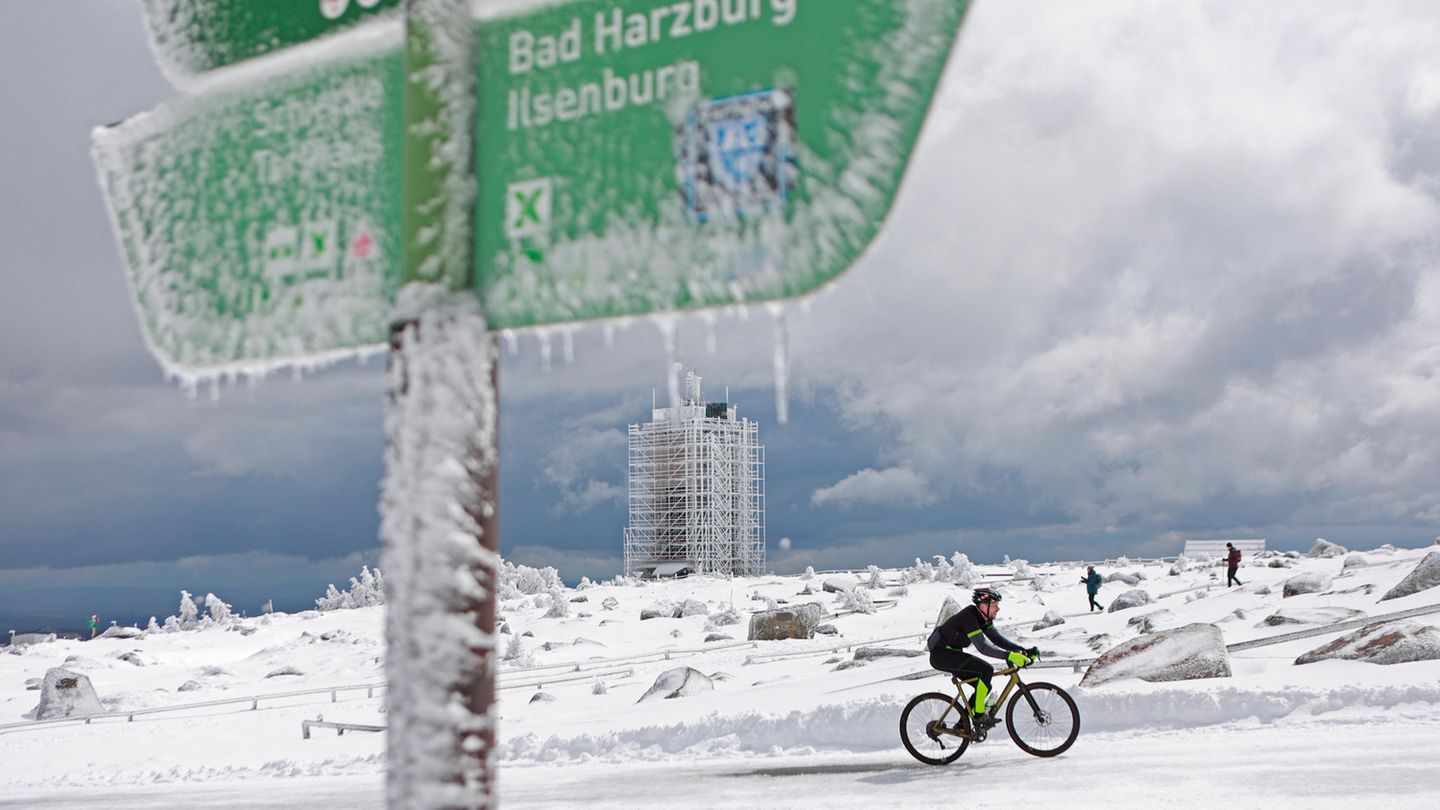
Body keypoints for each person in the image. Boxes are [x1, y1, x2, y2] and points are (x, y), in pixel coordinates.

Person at [927, 587, 1038, 730]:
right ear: (983, 605)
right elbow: (983, 647)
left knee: (985, 684)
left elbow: (997, 639)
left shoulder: (983, 618)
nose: (998, 609)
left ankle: (962, 725)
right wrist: (1009, 655)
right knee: (986, 670)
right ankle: (979, 716)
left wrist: (1021, 650)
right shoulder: (970, 616)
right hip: (941, 655)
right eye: (995, 605)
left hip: (951, 654)